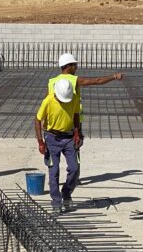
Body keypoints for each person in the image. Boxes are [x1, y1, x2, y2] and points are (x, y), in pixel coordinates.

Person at [48, 53, 124, 183]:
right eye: (75, 65)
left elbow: (47, 103)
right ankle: (74, 177)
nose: (77, 67)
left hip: (54, 123)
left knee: (54, 158)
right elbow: (97, 81)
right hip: (73, 120)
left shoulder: (51, 82)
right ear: (68, 66)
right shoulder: (73, 80)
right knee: (75, 147)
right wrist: (114, 76)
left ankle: (56, 180)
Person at [34, 78, 82, 214]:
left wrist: (78, 133)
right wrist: (40, 142)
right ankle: (56, 201)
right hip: (51, 138)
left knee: (74, 168)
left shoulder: (73, 98)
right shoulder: (48, 101)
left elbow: (76, 115)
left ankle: (66, 193)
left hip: (69, 138)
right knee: (53, 172)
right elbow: (37, 120)